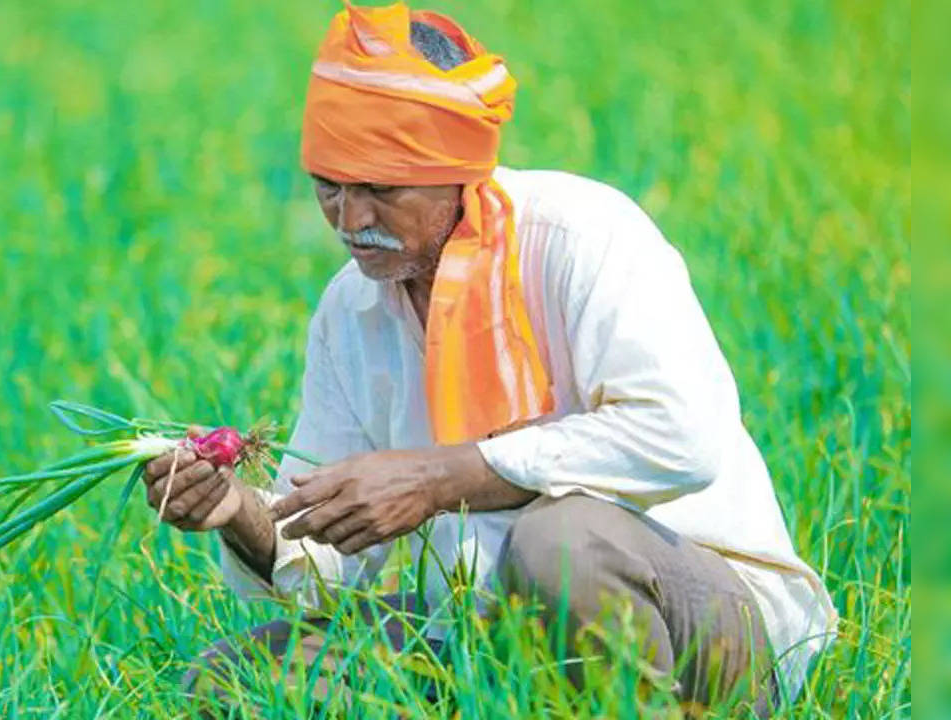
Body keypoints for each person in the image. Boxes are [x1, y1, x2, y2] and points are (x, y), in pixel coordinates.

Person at [141, 2, 836, 715]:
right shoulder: (351, 312)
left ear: (456, 171)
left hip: (707, 631)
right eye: (329, 185)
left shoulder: (583, 237)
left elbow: (682, 439)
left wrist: (447, 477)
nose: (350, 221)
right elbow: (324, 560)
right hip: (489, 627)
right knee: (242, 674)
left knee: (561, 542)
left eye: (380, 188)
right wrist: (236, 513)